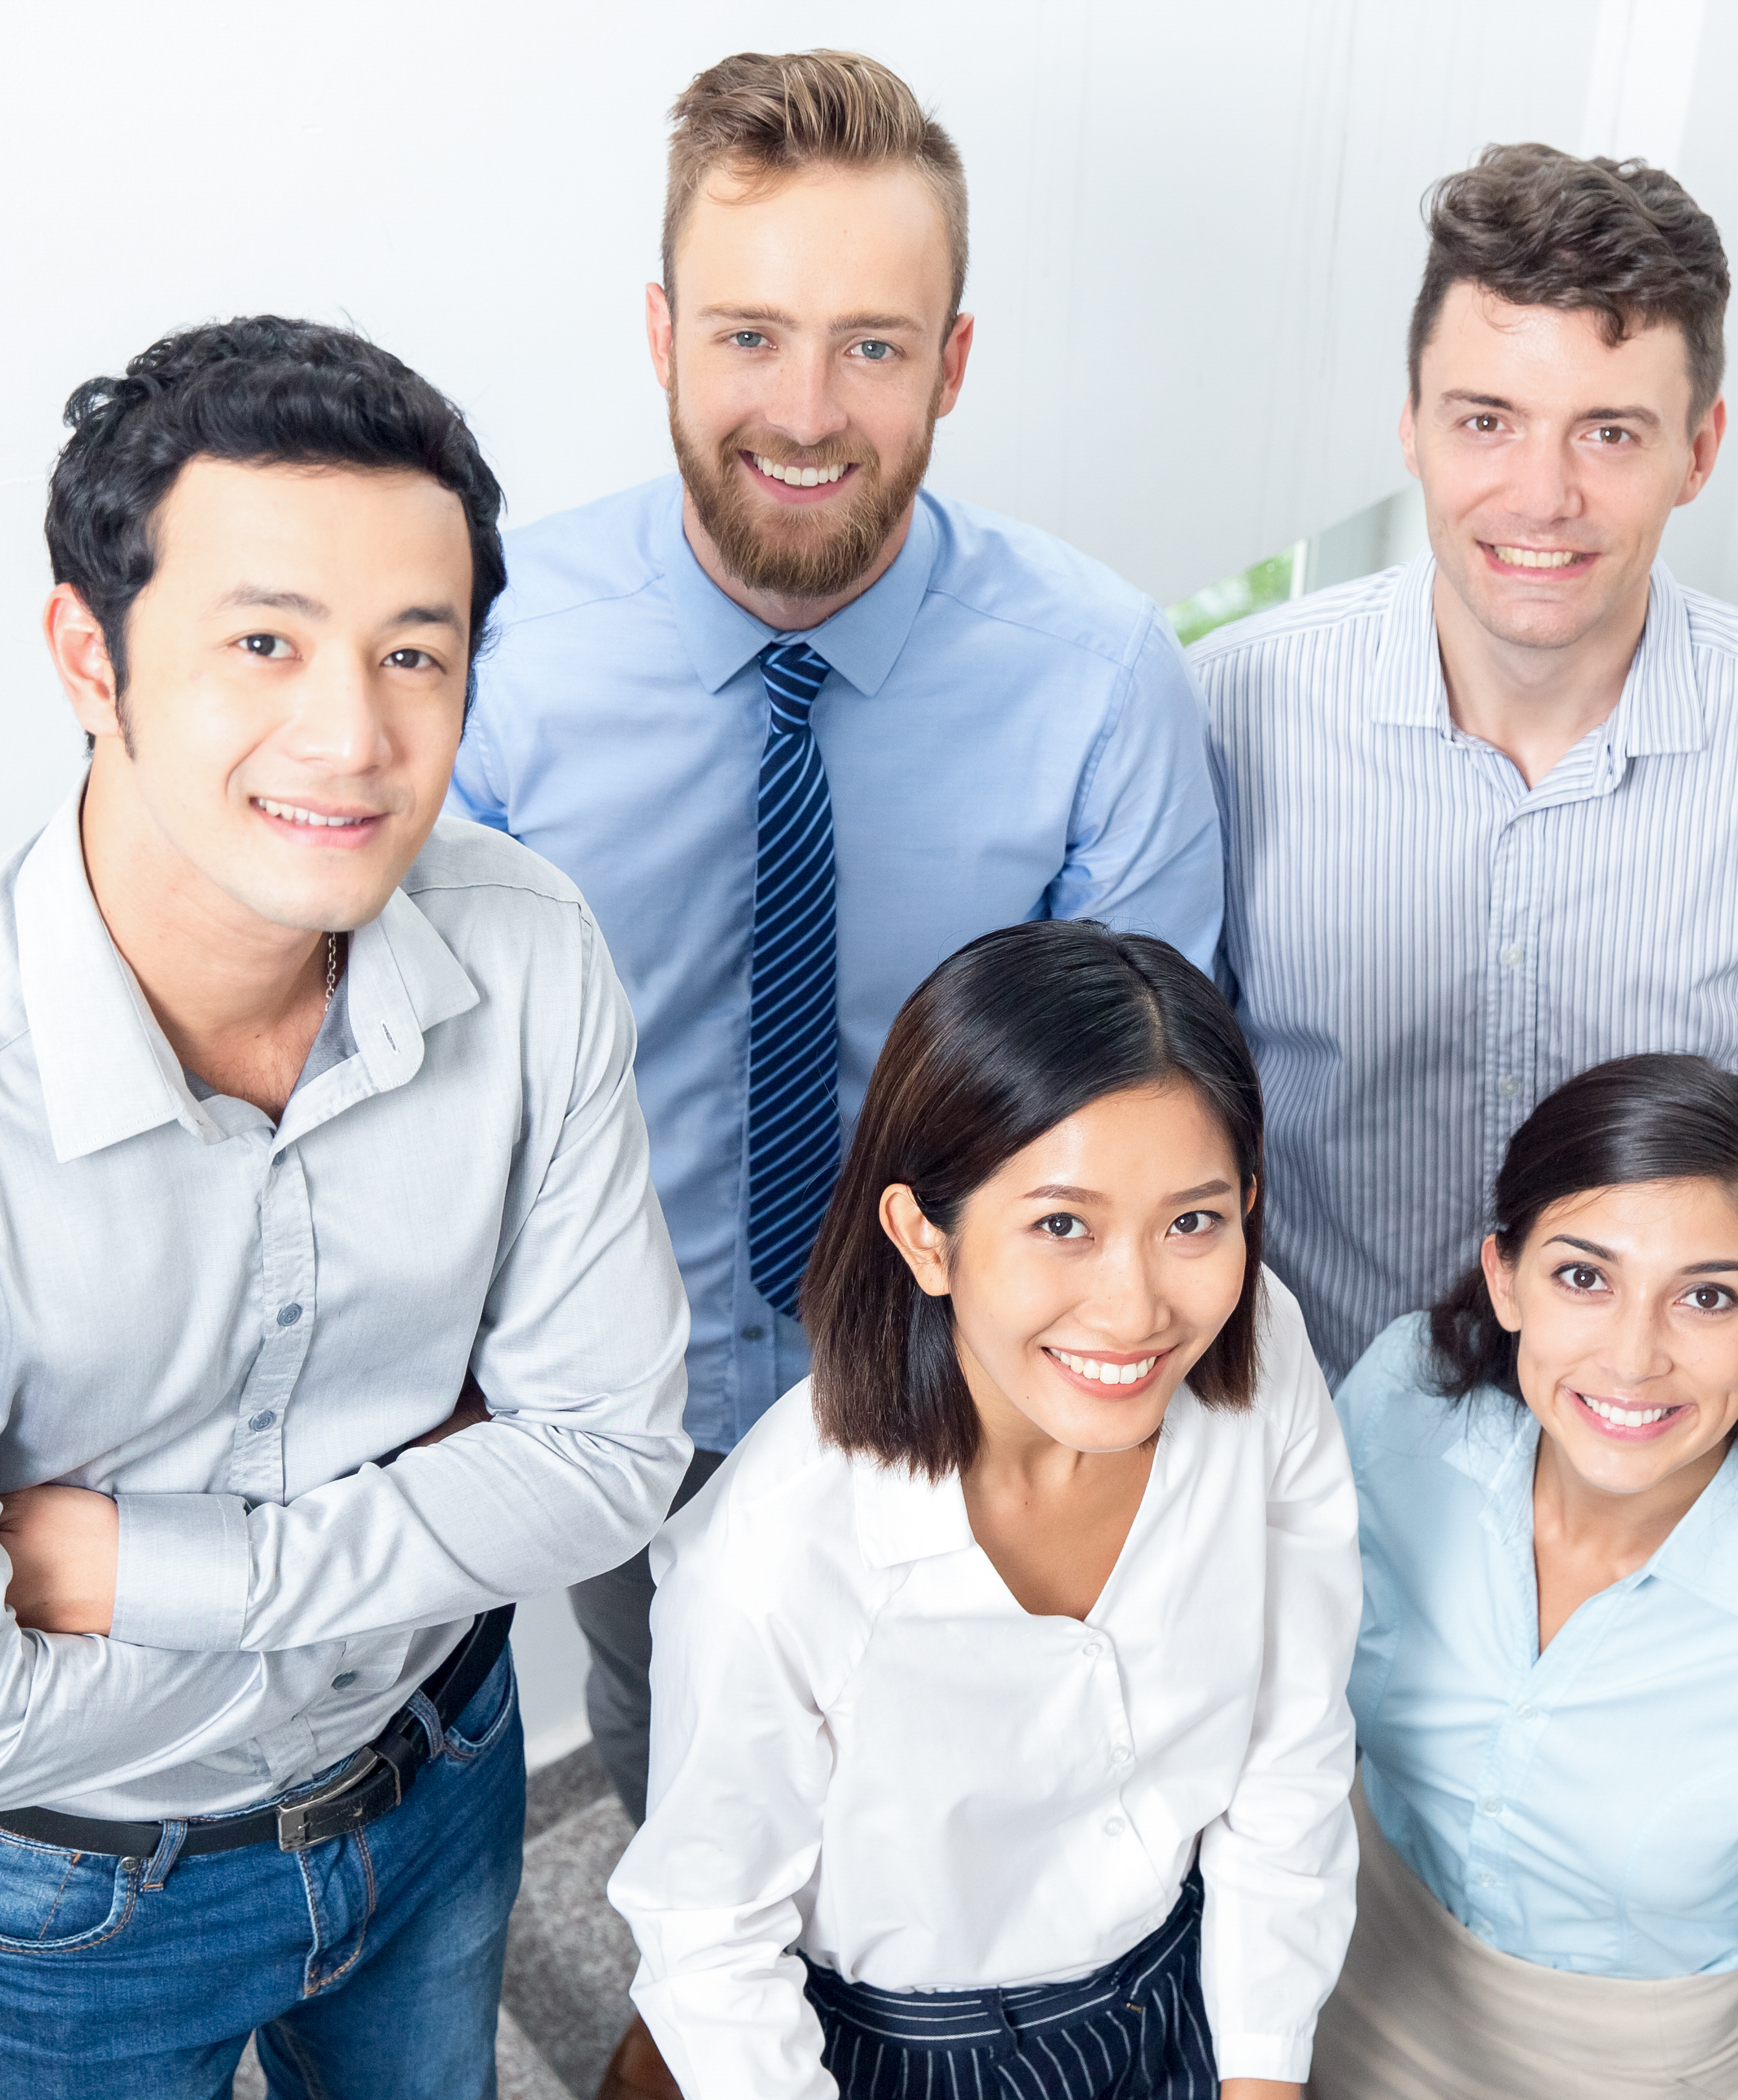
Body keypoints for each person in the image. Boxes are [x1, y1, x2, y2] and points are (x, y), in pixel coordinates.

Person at [0, 319, 693, 2097]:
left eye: (416, 652)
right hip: (69, 1887)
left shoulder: (530, 951)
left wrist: (137, 1565)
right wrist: (435, 1518)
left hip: (441, 1779)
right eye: (262, 643)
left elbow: (610, 1461)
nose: (355, 734)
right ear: (91, 656)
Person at [447, 64, 1219, 2079]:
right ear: (659, 334)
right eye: (750, 335)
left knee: (962, 1831)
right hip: (620, 1396)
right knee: (688, 1784)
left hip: (978, 1388)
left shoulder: (1094, 669)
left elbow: (1140, 1127)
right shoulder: (494, 652)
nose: (805, 410)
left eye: (870, 344)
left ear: (952, 362)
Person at [1192, 143, 1738, 1414]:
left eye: (1609, 433)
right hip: (1296, 1447)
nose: (1540, 498)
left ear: (1698, 452)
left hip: (1645, 1467)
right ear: (1413, 428)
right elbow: (1152, 1142)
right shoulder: (1232, 709)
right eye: (1487, 421)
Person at [607, 920, 1357, 2100]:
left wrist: (1261, 2067)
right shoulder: (778, 1549)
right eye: (1064, 1225)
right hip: (910, 2060)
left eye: (1194, 1222)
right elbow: (707, 1936)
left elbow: (1293, 1737)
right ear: (925, 1237)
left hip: (1192, 1978)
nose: (1137, 1307)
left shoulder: (1263, 1354)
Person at [1319, 1054, 1738, 2099]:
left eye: (1707, 1298)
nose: (1633, 1358)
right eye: (1585, 1278)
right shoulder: (1401, 1405)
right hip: (1345, 2001)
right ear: (1506, 1278)